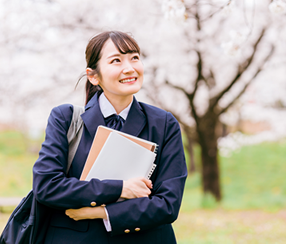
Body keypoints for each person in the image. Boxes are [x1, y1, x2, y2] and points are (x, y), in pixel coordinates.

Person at [33, 31, 187, 244]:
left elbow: (168, 204)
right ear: (93, 76)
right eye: (116, 60)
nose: (130, 68)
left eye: (134, 58)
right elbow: (48, 186)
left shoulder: (163, 123)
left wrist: (101, 212)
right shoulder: (66, 118)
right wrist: (121, 188)